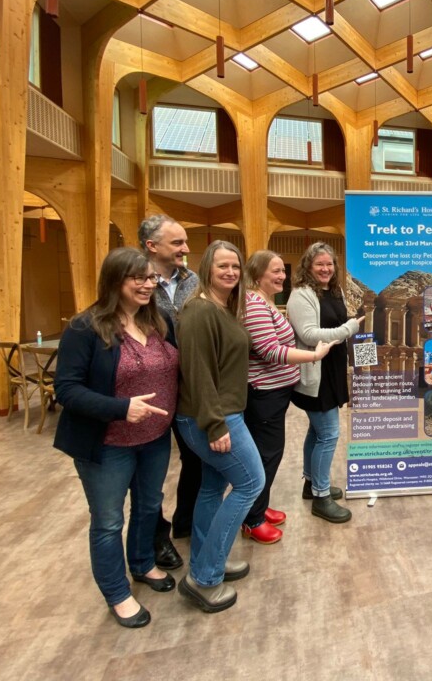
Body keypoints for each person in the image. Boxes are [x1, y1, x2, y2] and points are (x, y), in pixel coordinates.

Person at [54, 248, 179, 629]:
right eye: (136, 278)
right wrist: (120, 408)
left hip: (155, 437)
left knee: (148, 507)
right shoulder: (85, 327)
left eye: (151, 278)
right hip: (107, 444)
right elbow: (66, 390)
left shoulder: (158, 321)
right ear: (114, 280)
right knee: (108, 521)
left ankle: (142, 563)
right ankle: (116, 591)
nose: (147, 284)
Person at [173, 240, 264, 613]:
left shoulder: (225, 309)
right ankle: (204, 577)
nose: (230, 272)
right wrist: (215, 426)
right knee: (251, 483)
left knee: (212, 487)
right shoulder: (198, 311)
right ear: (207, 267)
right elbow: (197, 374)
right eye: (222, 265)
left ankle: (209, 557)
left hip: (224, 413)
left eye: (235, 266)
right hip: (211, 417)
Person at [242, 250, 335, 544]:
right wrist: (313, 355)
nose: (282, 276)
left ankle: (259, 506)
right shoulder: (255, 304)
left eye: (283, 270)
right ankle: (252, 520)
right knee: (267, 455)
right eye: (275, 271)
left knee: (270, 454)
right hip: (265, 394)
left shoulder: (265, 301)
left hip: (276, 392)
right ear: (257, 274)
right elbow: (270, 350)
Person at [138, 214, 200, 569]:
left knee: (196, 459)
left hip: (191, 387)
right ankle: (156, 539)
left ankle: (186, 524)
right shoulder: (135, 282)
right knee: (151, 473)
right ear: (151, 246)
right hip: (152, 392)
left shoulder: (194, 281)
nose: (185, 249)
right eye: (177, 243)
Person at [286, 242, 361, 523]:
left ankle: (311, 483)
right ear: (308, 266)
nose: (325, 269)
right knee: (328, 434)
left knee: (316, 432)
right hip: (314, 375)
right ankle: (320, 496)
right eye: (319, 264)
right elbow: (307, 334)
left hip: (331, 370)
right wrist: (348, 329)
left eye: (329, 264)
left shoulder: (335, 290)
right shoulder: (301, 294)